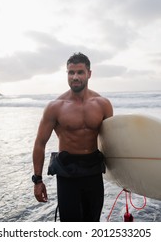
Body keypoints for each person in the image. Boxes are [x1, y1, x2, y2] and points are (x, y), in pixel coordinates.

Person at [32, 52, 113, 221]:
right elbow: (40, 143)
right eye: (71, 72)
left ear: (89, 74)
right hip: (67, 173)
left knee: (93, 222)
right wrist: (37, 180)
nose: (75, 77)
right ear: (67, 74)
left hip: (93, 171)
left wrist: (125, 178)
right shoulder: (55, 107)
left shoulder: (103, 104)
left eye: (80, 72)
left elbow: (112, 142)